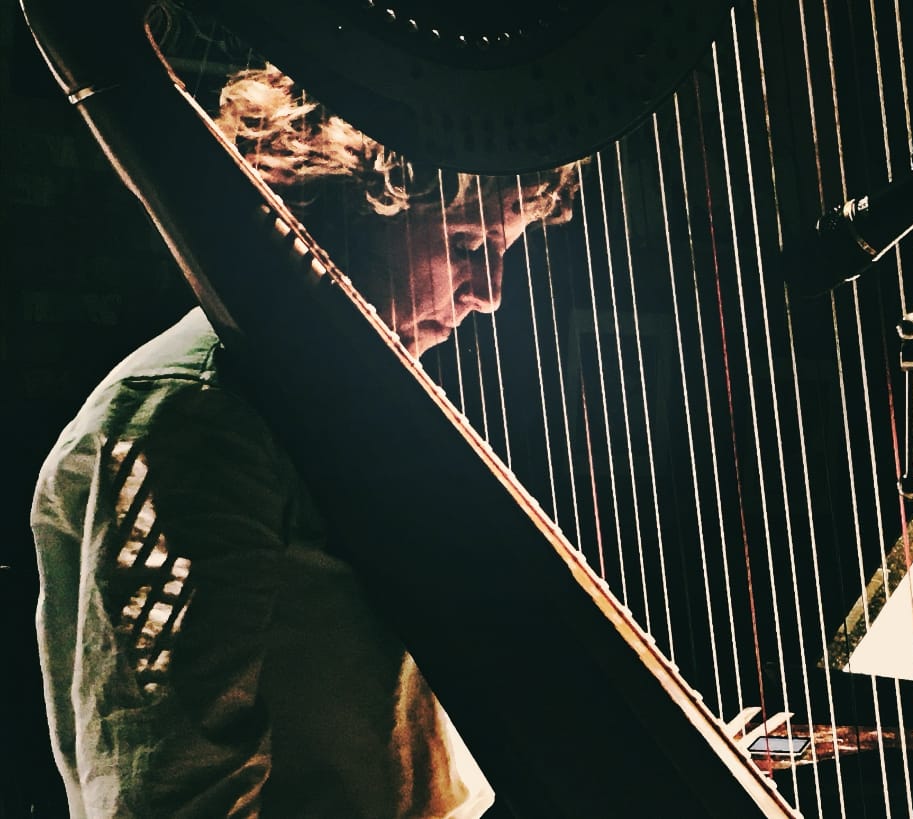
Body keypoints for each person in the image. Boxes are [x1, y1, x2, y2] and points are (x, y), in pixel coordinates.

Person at [31, 64, 580, 818]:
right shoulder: (192, 414)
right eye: (464, 241)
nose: (488, 291)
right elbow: (170, 794)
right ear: (353, 213)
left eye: (502, 247)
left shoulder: (365, 405)